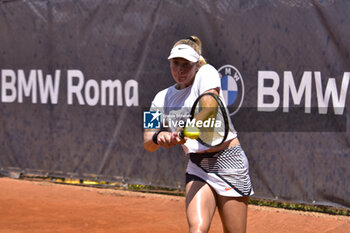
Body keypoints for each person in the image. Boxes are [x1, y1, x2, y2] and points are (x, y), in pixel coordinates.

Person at [144, 36, 253, 233]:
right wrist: (158, 138)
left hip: (229, 162)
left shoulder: (207, 73)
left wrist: (188, 128)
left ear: (197, 65)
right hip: (198, 166)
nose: (180, 70)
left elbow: (209, 106)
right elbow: (147, 141)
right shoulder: (160, 97)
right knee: (198, 229)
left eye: (186, 64)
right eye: (175, 63)